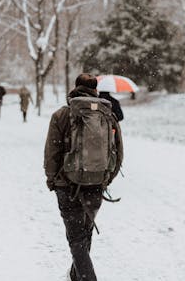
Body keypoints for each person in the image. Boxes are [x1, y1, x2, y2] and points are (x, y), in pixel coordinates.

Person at [44, 73, 123, 281]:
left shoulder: (62, 115)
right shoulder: (108, 115)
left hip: (67, 184)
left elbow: (51, 152)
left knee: (76, 238)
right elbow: (119, 151)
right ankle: (75, 275)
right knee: (85, 232)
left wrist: (52, 180)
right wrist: (106, 178)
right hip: (97, 182)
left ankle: (87, 278)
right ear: (95, 90)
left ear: (75, 88)